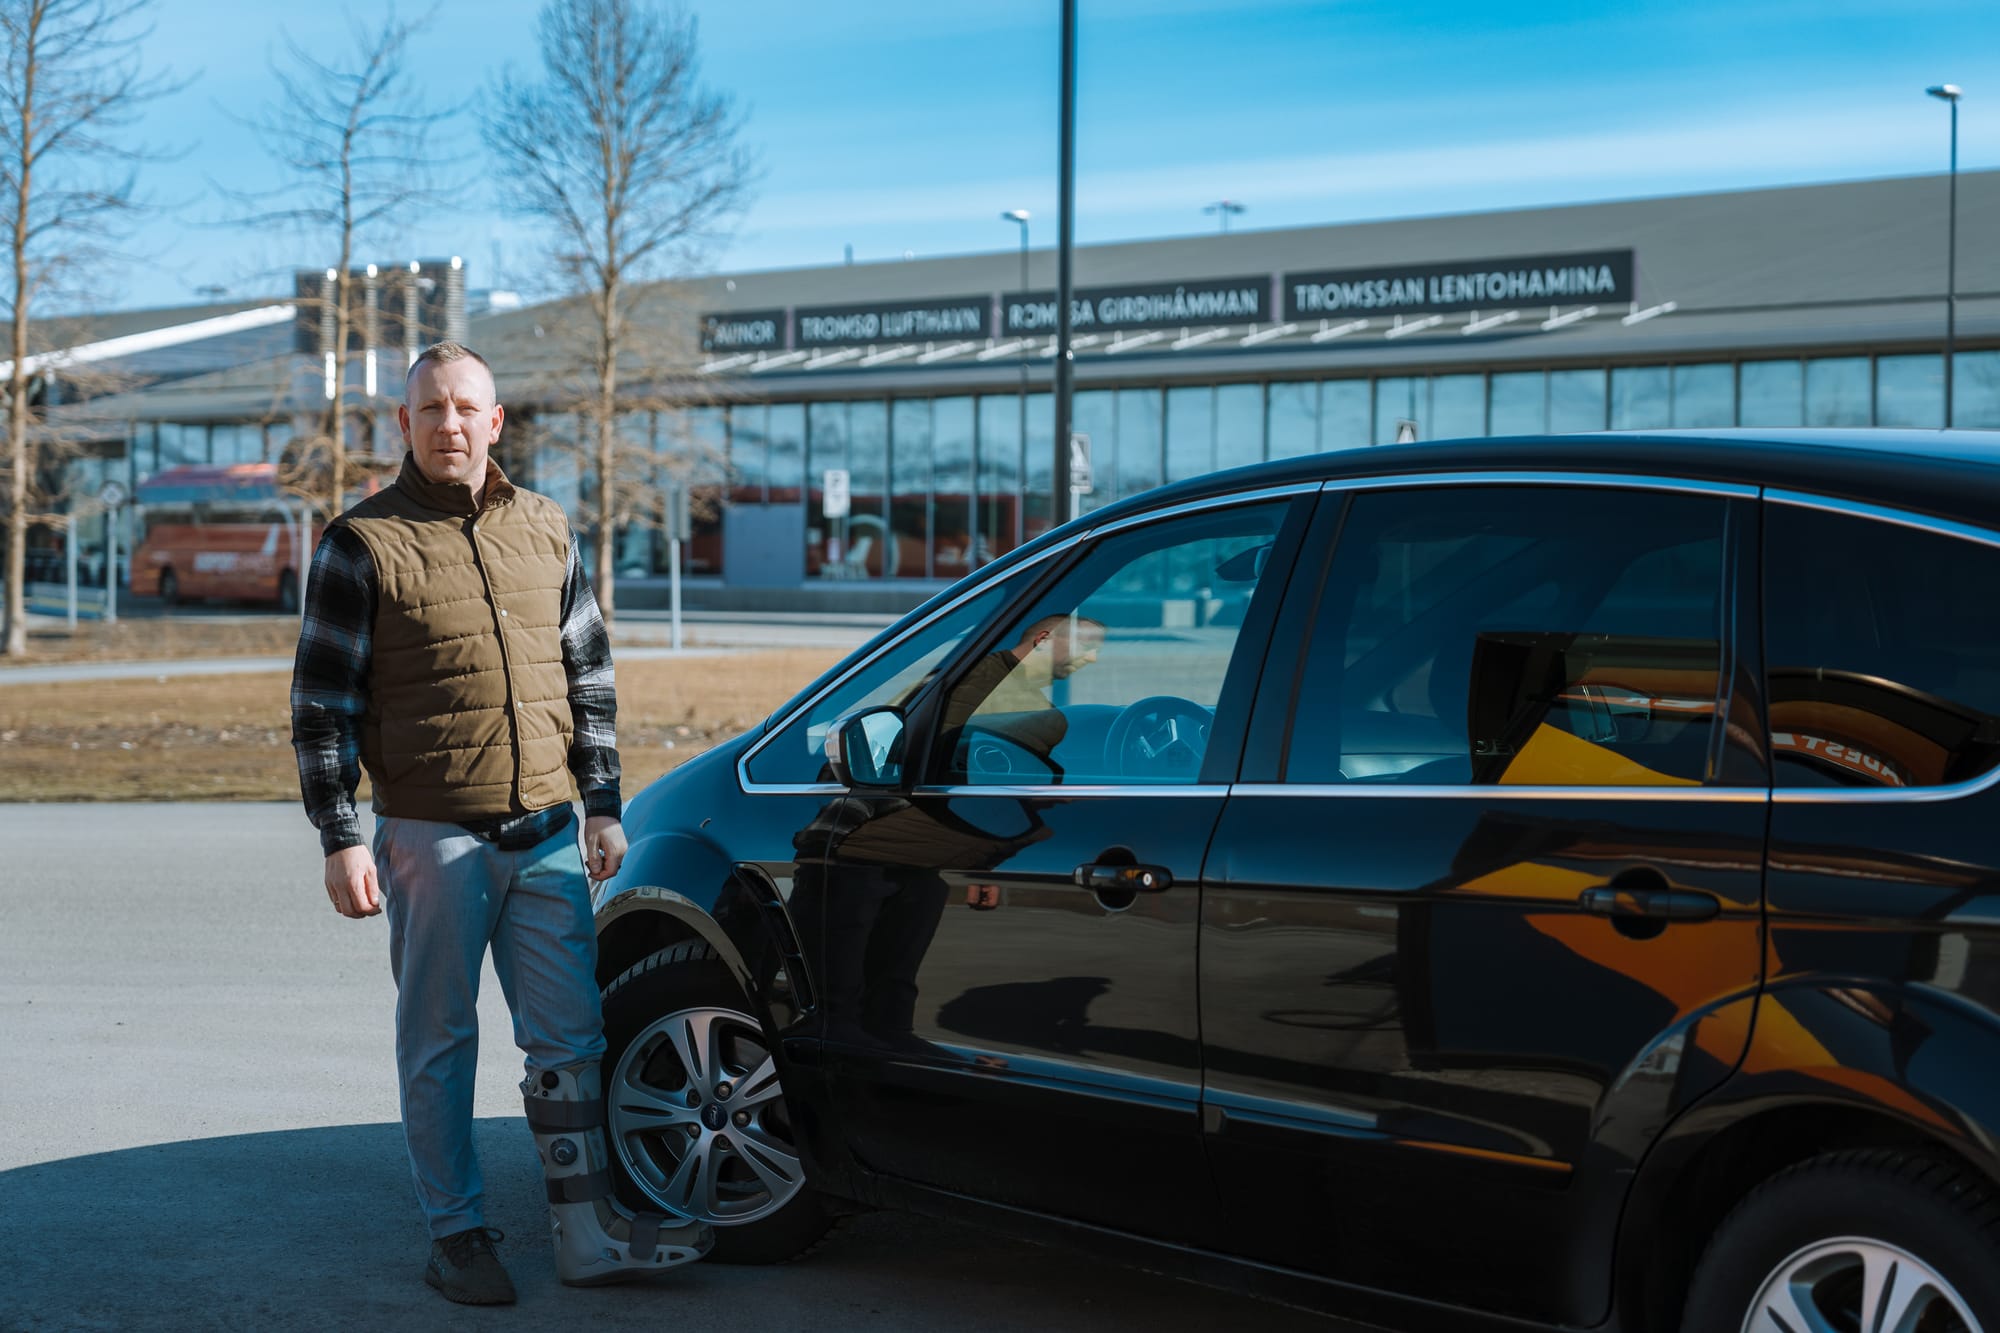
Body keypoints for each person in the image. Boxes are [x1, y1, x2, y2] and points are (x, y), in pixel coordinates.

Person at [289, 341, 708, 1306]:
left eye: (466, 407)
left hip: (549, 831)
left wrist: (602, 802)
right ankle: (457, 1235)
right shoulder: (360, 543)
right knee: (439, 1042)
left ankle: (588, 1231)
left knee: (572, 1036)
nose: (450, 424)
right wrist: (340, 833)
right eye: (431, 408)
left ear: (495, 420)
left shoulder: (546, 527)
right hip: (431, 834)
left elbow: (588, 677)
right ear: (405, 422)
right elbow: (320, 703)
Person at [939, 612, 1107, 769]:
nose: (1092, 658)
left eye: (1096, 652)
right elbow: (944, 752)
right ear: (1043, 640)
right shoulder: (978, 678)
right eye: (1085, 647)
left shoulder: (1031, 698)